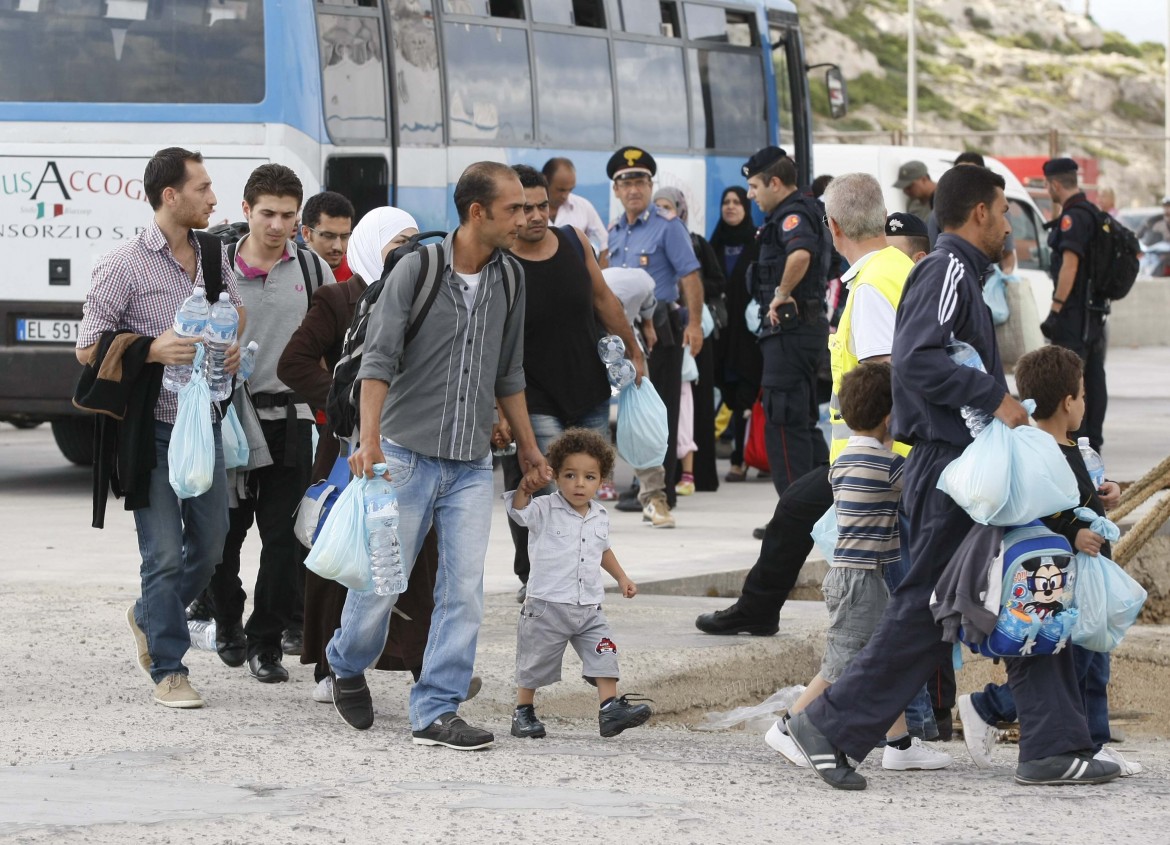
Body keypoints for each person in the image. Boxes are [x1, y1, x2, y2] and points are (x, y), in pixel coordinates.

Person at [784, 165, 1121, 790]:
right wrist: (996, 397)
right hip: (953, 469)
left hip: (965, 470)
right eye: (1003, 212)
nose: (1008, 225)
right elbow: (916, 359)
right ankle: (827, 727)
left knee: (1022, 581)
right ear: (981, 213)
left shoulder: (964, 273)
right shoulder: (947, 269)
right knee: (932, 608)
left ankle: (1053, 745)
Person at [326, 161, 551, 751]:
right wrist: (368, 442)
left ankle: (436, 707)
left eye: (529, 208)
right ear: (478, 213)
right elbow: (377, 360)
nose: (525, 218)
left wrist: (529, 449)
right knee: (380, 584)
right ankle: (345, 661)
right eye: (514, 209)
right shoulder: (417, 270)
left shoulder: (511, 279)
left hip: (472, 463)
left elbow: (510, 373)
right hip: (403, 454)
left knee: (464, 589)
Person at [696, 173, 911, 638]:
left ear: (832, 226)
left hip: (876, 456)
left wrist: (876, 456)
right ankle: (758, 607)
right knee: (794, 509)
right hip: (883, 452)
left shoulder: (872, 286)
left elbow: (885, 377)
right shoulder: (899, 267)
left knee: (802, 515)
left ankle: (758, 609)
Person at [75, 147, 244, 708]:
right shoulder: (124, 263)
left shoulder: (216, 254)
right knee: (165, 554)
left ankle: (148, 613)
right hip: (148, 431)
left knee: (213, 544)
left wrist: (232, 348)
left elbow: (234, 311)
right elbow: (85, 347)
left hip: (205, 424)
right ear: (170, 196)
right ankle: (169, 668)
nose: (213, 198)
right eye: (202, 188)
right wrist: (151, 350)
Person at [277, 206, 444, 702]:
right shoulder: (339, 298)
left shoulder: (426, 297)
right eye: (400, 243)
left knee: (415, 560)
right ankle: (335, 669)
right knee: (348, 554)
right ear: (374, 246)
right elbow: (293, 362)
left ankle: (420, 665)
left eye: (417, 241)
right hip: (353, 447)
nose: (412, 252)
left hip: (413, 446)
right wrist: (349, 395)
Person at [957, 345, 1140, 776]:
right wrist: (1072, 532)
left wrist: (1106, 491)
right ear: (1067, 402)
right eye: (1082, 394)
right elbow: (1033, 516)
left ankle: (1091, 744)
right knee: (1069, 665)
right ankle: (987, 706)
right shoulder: (1037, 452)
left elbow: (1082, 497)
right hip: (1060, 587)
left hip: (1090, 579)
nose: (1085, 402)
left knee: (1095, 666)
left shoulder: (1076, 448)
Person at [765, 362, 950, 772]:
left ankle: (899, 746)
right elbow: (928, 488)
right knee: (841, 663)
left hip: (856, 575)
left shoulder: (845, 459)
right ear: (891, 418)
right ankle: (787, 727)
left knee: (880, 657)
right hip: (861, 580)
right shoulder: (886, 467)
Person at [206, 164, 335, 682]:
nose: (277, 225)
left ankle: (266, 643)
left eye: (288, 215)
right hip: (231, 419)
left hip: (292, 418)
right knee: (221, 536)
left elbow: (337, 338)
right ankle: (227, 620)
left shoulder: (311, 271)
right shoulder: (214, 270)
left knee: (284, 539)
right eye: (267, 214)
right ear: (246, 211)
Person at [500, 164, 642, 599]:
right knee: (543, 488)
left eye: (544, 205)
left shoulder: (573, 241)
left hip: (589, 391)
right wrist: (496, 408)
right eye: (525, 208)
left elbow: (605, 300)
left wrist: (634, 350)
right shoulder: (500, 262)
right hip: (533, 395)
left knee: (584, 489)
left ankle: (574, 573)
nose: (537, 215)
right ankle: (537, 577)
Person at [506, 428, 652, 740]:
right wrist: (525, 487)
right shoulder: (545, 508)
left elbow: (603, 550)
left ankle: (610, 709)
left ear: (602, 480)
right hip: (547, 606)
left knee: (605, 653)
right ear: (556, 475)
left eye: (589, 477)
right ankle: (523, 712)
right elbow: (518, 511)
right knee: (534, 662)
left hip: (589, 607)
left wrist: (622, 577)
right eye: (570, 475)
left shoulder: (599, 515)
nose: (579, 484)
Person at [606, 146, 705, 529]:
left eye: (641, 181)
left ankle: (659, 495)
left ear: (651, 185)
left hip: (662, 329)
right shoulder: (614, 232)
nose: (634, 189)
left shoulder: (667, 225)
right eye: (626, 182)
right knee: (631, 413)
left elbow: (689, 277)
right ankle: (640, 486)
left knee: (659, 412)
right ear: (616, 190)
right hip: (625, 334)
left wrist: (694, 324)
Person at [743, 146, 830, 497]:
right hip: (802, 331)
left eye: (754, 187)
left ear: (775, 183)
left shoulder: (792, 215)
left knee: (784, 424)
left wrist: (781, 292)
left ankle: (793, 516)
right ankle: (822, 507)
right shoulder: (809, 210)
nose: (751, 195)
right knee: (803, 425)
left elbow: (800, 254)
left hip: (791, 331)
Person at [652, 186, 725, 494]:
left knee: (694, 402)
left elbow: (717, 281)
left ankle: (697, 474)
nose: (662, 213)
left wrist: (686, 284)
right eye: (658, 207)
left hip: (694, 333)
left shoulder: (696, 243)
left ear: (679, 209)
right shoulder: (651, 241)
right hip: (665, 328)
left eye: (667, 207)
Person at [1039, 157, 1108, 453]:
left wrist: (1055, 309)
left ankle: (1077, 445)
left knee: (1071, 379)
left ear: (1054, 184)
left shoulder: (1072, 217)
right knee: (1092, 376)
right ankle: (1092, 444)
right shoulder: (1091, 211)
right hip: (1093, 315)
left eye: (1046, 184)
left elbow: (1070, 265)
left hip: (1074, 315)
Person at [709, 186, 763, 483]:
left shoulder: (758, 243)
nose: (730, 207)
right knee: (728, 394)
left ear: (745, 207)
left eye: (736, 202)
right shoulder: (712, 244)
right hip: (720, 334)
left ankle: (740, 460)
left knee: (745, 393)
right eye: (725, 202)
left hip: (748, 336)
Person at [542, 157, 609, 265]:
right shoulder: (527, 208)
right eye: (560, 190)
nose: (565, 195)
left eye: (570, 189)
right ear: (544, 180)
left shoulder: (583, 207)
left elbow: (605, 243)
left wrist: (600, 275)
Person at [301, 190, 356, 281]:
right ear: (306, 233)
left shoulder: (360, 279)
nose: (338, 247)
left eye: (344, 236)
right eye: (328, 236)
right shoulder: (289, 275)